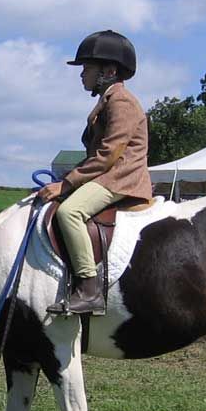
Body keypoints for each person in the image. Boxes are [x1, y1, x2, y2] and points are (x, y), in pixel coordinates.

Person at [37, 30, 152, 315]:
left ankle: (89, 289)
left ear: (109, 71)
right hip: (107, 175)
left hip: (120, 178)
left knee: (69, 212)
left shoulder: (121, 102)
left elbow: (107, 155)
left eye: (87, 68)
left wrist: (66, 185)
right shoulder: (106, 100)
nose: (82, 75)